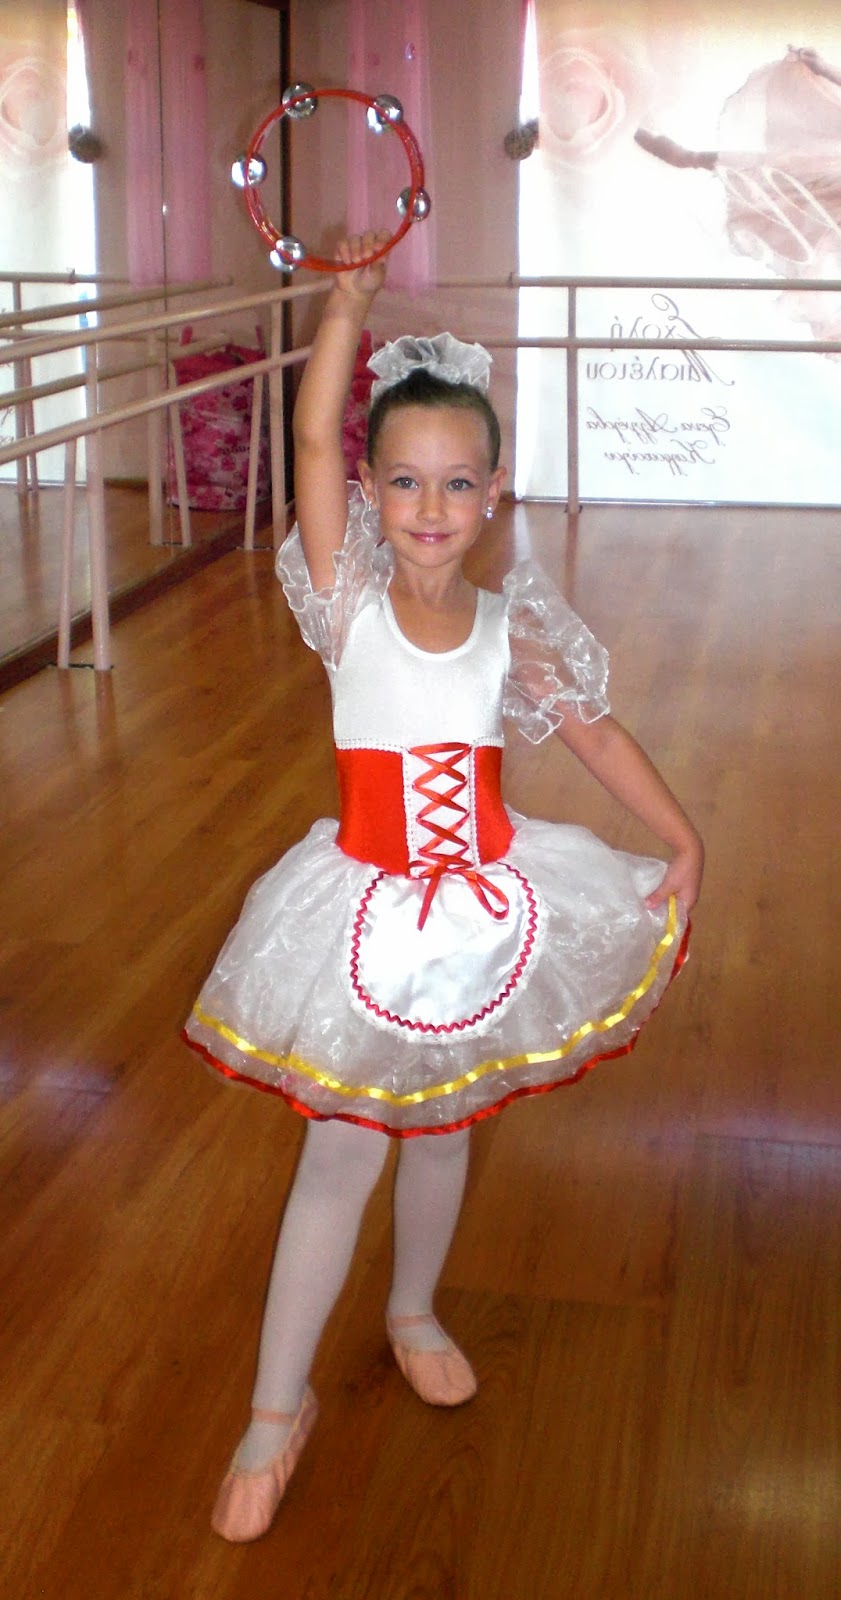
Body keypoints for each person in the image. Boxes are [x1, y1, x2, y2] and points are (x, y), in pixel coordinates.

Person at [183, 233, 704, 1544]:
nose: (429, 506)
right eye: (403, 480)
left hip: (482, 917)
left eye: (457, 482)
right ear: (368, 489)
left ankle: (413, 1310)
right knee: (341, 1151)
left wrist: (679, 836)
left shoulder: (507, 627)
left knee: (447, 1125)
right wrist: (345, 308)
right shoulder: (346, 604)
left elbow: (594, 734)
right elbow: (310, 440)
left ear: (491, 491)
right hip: (361, 915)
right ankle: (275, 1407)